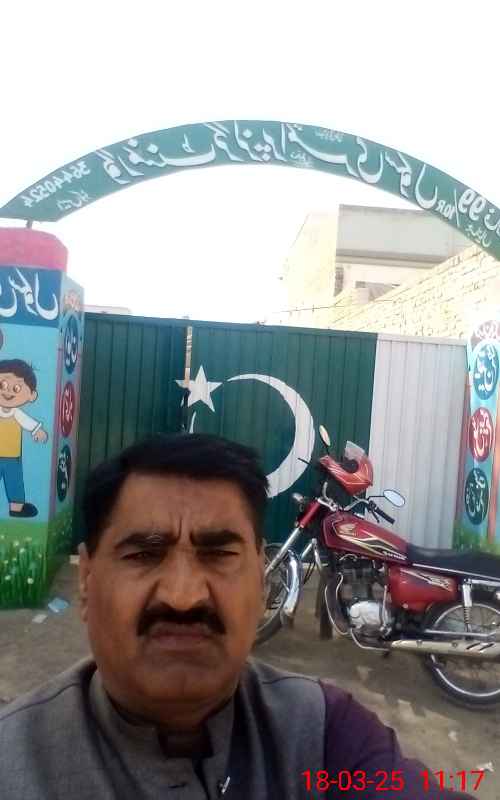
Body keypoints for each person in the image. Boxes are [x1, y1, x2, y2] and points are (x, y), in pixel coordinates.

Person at [0, 433, 473, 799]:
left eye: (219, 554)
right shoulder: (13, 759)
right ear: (86, 580)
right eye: (144, 554)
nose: (184, 596)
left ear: (260, 579)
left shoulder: (324, 736)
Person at [0, 358, 48, 517]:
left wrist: (38, 431)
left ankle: (16, 508)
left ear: (32, 395)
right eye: (2, 385)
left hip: (12, 457)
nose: (7, 392)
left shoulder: (17, 414)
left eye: (16, 388)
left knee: (15, 482)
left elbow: (29, 423)